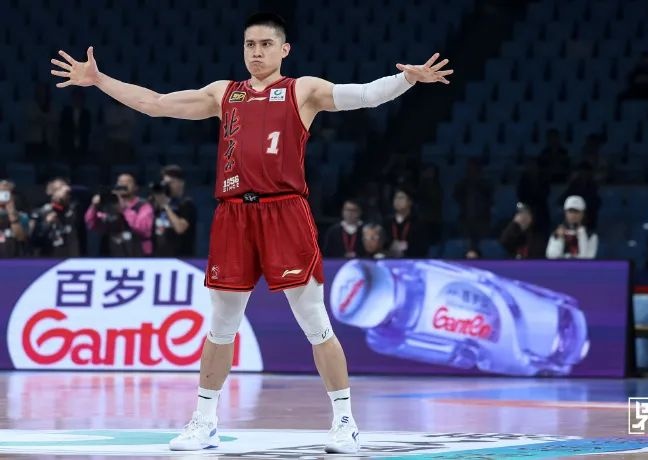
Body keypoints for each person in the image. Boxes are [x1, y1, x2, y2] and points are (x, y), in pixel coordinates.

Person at [51, 12, 452, 454]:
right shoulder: (224, 93)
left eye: (265, 44)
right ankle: (204, 422)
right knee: (220, 326)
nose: (256, 52)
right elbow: (156, 102)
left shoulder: (302, 90)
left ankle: (345, 422)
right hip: (233, 215)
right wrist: (99, 79)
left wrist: (407, 80)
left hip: (285, 212)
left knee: (315, 323)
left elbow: (364, 95)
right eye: (249, 45)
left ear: (284, 49)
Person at [84, 173, 154, 257]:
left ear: (136, 187)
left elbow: (143, 229)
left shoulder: (143, 206)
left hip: (137, 254)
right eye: (120, 182)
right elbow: (91, 224)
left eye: (128, 182)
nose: (123, 184)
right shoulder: (109, 205)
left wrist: (124, 209)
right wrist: (94, 206)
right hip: (113, 254)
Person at [151, 165, 197, 257]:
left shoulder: (186, 204)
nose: (167, 186)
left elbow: (180, 228)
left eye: (171, 183)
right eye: (165, 183)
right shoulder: (157, 202)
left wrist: (166, 206)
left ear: (181, 183)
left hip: (181, 258)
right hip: (158, 258)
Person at [30, 180, 82, 257]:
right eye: (60, 188)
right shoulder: (41, 212)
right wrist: (46, 223)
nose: (65, 192)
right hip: (49, 258)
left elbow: (84, 192)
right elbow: (34, 240)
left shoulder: (73, 210)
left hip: (70, 257)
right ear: (52, 193)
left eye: (67, 193)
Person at [383, 188, 429, 258]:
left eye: (401, 198)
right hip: (389, 259)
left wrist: (407, 246)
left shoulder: (418, 222)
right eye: (395, 198)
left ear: (410, 202)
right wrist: (391, 246)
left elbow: (423, 248)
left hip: (412, 259)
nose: (397, 201)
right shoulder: (387, 222)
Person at [0, 180, 30, 258]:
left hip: (14, 258)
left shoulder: (22, 216)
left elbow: (22, 237)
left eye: (6, 193)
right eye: (1, 193)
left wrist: (11, 212)